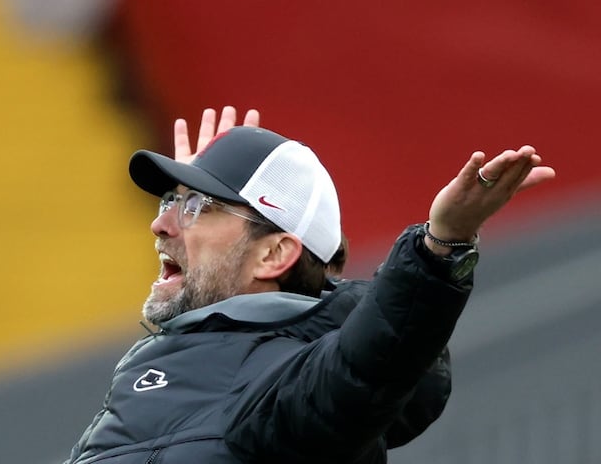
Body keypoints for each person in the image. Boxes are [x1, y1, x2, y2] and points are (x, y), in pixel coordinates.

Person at [63, 106, 555, 464]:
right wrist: (198, 195)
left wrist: (440, 247)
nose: (161, 224)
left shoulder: (287, 382)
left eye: (195, 209)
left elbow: (368, 360)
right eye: (168, 201)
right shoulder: (152, 372)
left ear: (274, 254)